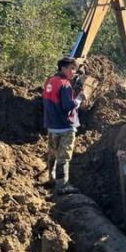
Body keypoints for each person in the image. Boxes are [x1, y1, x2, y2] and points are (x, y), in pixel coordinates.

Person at [43, 57, 86, 195]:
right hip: (65, 126)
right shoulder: (65, 84)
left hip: (52, 124)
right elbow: (67, 106)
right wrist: (79, 99)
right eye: (72, 68)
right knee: (64, 157)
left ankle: (51, 178)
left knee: (52, 153)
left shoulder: (49, 81)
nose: (74, 72)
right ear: (63, 68)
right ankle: (62, 186)